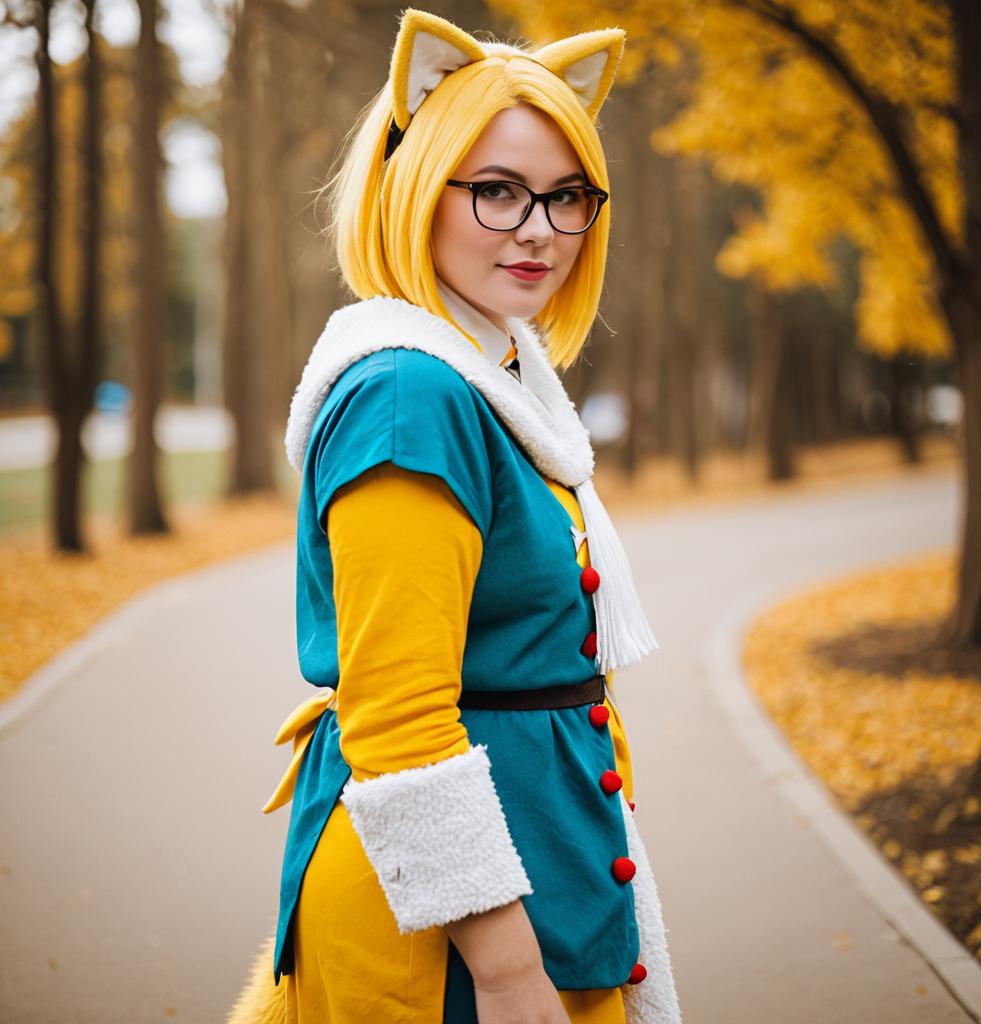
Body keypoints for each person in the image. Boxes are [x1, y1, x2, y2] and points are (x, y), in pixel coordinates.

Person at [226, 9, 681, 1023]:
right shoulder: (409, 395)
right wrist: (511, 974)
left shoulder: (496, 373)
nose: (539, 228)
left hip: (537, 879)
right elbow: (398, 719)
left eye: (567, 197)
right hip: (454, 937)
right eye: (498, 190)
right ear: (418, 184)